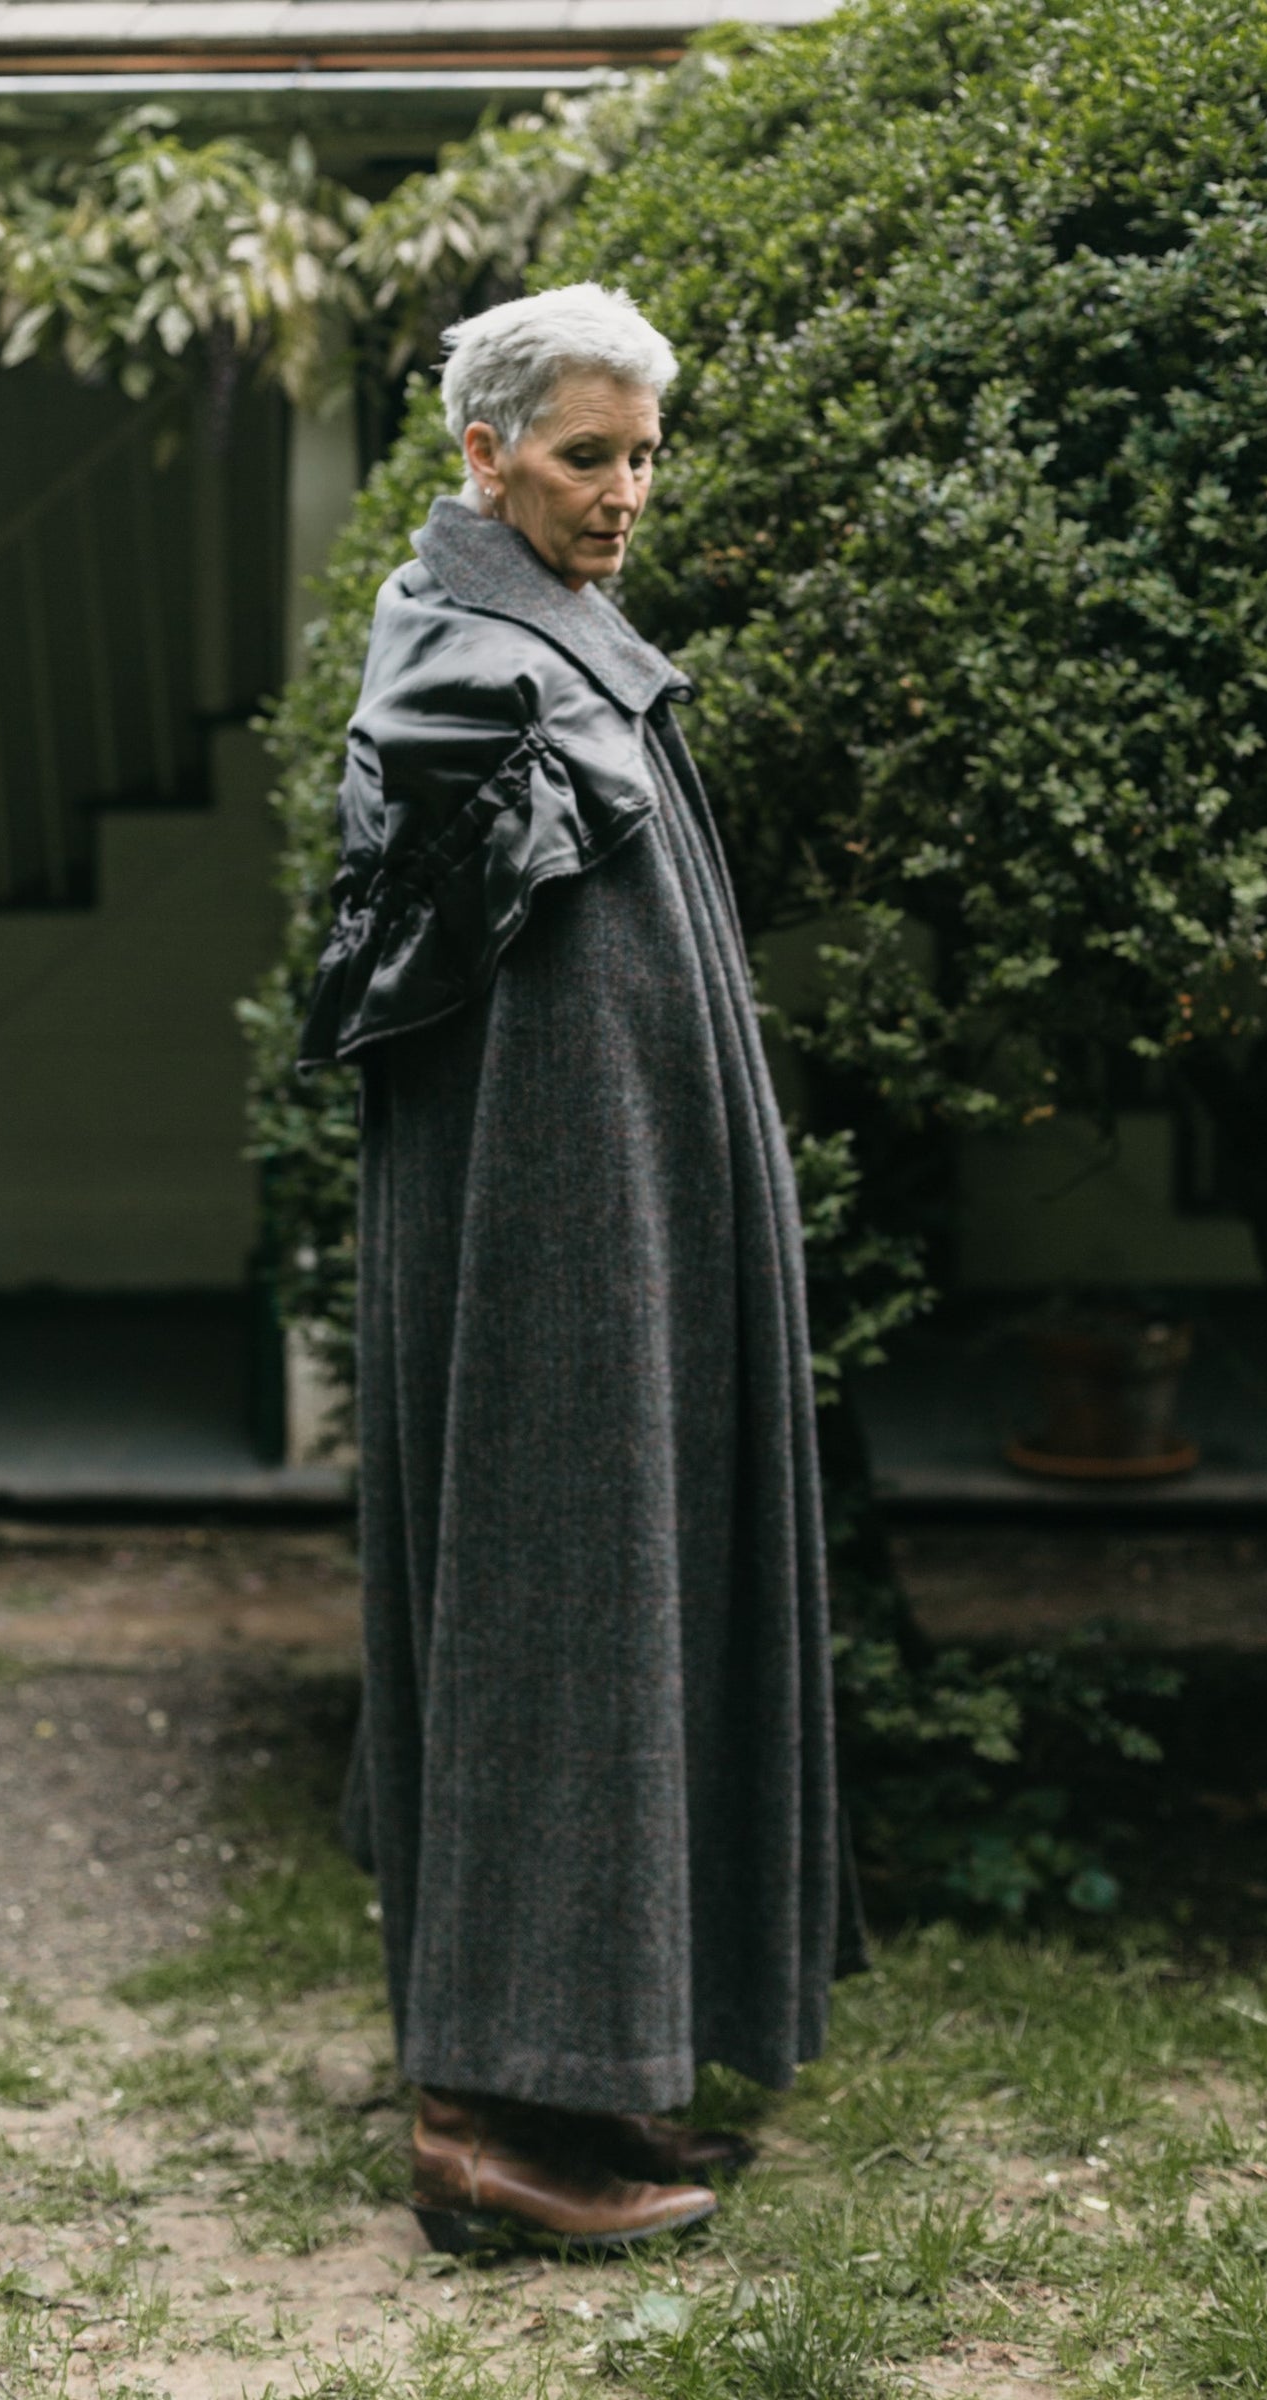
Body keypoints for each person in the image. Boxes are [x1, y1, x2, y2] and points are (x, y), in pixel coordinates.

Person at [298, 282, 840, 2255]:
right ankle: (477, 2126)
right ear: (479, 455)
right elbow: (468, 1004)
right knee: (547, 1601)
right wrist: (592, 1234)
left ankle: (587, 2066)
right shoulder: (459, 673)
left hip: (616, 1226)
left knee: (605, 1602)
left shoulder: (558, 641)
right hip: (545, 1240)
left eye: (637, 457)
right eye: (579, 457)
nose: (620, 494)